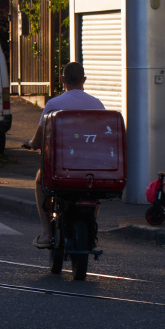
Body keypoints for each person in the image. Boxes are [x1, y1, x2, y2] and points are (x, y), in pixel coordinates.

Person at [22, 61, 104, 248]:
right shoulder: (98, 104)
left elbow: (39, 139)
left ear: (62, 80)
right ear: (84, 80)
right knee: (93, 191)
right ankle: (92, 228)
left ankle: (46, 232)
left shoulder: (54, 104)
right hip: (89, 165)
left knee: (39, 180)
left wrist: (31, 144)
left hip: (62, 167)